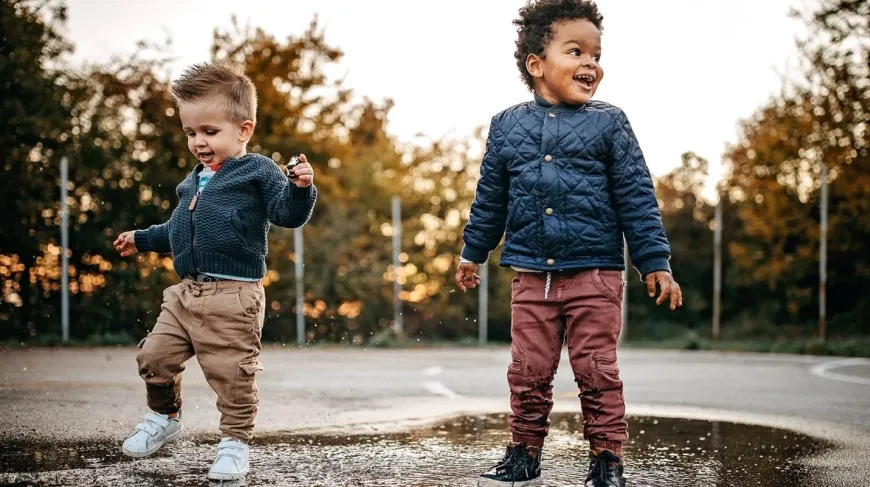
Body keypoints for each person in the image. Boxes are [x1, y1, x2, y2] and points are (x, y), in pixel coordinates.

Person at [455, 1, 683, 485]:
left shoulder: (610, 123)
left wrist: (654, 261)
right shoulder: (506, 126)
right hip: (532, 275)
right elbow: (490, 199)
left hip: (595, 274)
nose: (591, 64)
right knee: (528, 370)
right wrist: (473, 251)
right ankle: (523, 451)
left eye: (596, 55)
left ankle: (606, 459)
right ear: (537, 65)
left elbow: (637, 198)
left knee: (597, 369)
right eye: (575, 51)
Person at [113, 62, 317, 481]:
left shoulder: (257, 170)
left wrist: (300, 189)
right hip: (185, 294)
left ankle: (234, 444)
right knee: (154, 356)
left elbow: (286, 214)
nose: (198, 142)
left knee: (232, 375)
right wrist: (141, 237)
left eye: (209, 132)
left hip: (234, 295)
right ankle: (165, 417)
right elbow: (177, 229)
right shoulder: (193, 182)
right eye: (191, 133)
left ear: (243, 130)